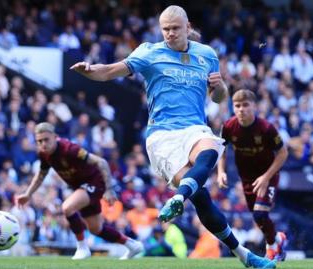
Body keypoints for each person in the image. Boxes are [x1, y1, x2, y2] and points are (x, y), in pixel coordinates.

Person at [71, 5, 275, 268]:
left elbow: (218, 96)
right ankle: (243, 255)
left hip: (194, 128)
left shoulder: (206, 55)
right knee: (200, 196)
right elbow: (110, 71)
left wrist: (222, 88)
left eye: (175, 28)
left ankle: (178, 197)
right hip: (162, 136)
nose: (169, 34)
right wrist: (90, 69)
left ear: (187, 27)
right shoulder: (149, 52)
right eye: (165, 29)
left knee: (211, 148)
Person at [15, 122, 143, 260]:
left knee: (67, 207)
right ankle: (132, 245)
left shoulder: (69, 149)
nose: (43, 144)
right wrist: (28, 194)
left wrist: (109, 189)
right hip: (81, 188)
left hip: (94, 182)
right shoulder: (44, 154)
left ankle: (82, 248)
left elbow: (101, 162)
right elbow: (41, 175)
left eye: (46, 140)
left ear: (55, 136)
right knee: (96, 229)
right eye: (39, 141)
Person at [218, 89, 288, 261]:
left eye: (246, 105)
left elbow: (283, 153)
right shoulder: (228, 127)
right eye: (237, 105)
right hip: (247, 179)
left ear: (254, 106)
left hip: (268, 176)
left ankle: (271, 247)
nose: (241, 109)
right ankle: (277, 239)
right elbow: (221, 149)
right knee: (258, 217)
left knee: (260, 214)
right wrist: (221, 172)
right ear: (233, 107)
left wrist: (266, 177)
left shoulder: (266, 128)